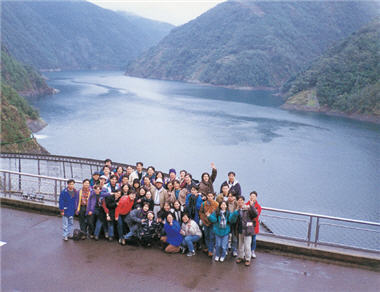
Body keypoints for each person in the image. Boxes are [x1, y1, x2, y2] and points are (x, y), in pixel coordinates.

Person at [235, 196, 258, 266]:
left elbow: (255, 214)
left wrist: (251, 206)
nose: (240, 202)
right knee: (240, 245)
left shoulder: (248, 208)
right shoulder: (238, 210)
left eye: (241, 200)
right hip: (240, 229)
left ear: (244, 201)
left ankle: (248, 259)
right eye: (239, 200)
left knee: (247, 246)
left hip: (247, 230)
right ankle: (240, 257)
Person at [199, 192, 219, 257]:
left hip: (213, 223)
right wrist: (203, 219)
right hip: (205, 222)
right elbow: (201, 212)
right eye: (209, 196)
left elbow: (218, 214)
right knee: (206, 235)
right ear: (207, 196)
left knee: (212, 237)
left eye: (211, 196)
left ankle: (211, 250)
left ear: (213, 196)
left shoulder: (216, 204)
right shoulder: (203, 204)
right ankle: (208, 247)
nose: (210, 197)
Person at [245, 191, 262, 259]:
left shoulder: (258, 206)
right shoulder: (246, 204)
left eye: (254, 196)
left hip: (254, 225)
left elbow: (256, 215)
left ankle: (252, 251)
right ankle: (246, 251)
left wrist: (251, 207)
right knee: (246, 239)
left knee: (253, 239)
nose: (252, 197)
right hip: (247, 224)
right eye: (251, 196)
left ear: (256, 197)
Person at [227, 192, 239, 256]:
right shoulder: (225, 203)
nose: (230, 197)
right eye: (229, 196)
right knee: (226, 236)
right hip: (227, 222)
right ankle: (226, 249)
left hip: (235, 223)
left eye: (231, 196)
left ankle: (234, 250)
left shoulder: (237, 204)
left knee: (234, 238)